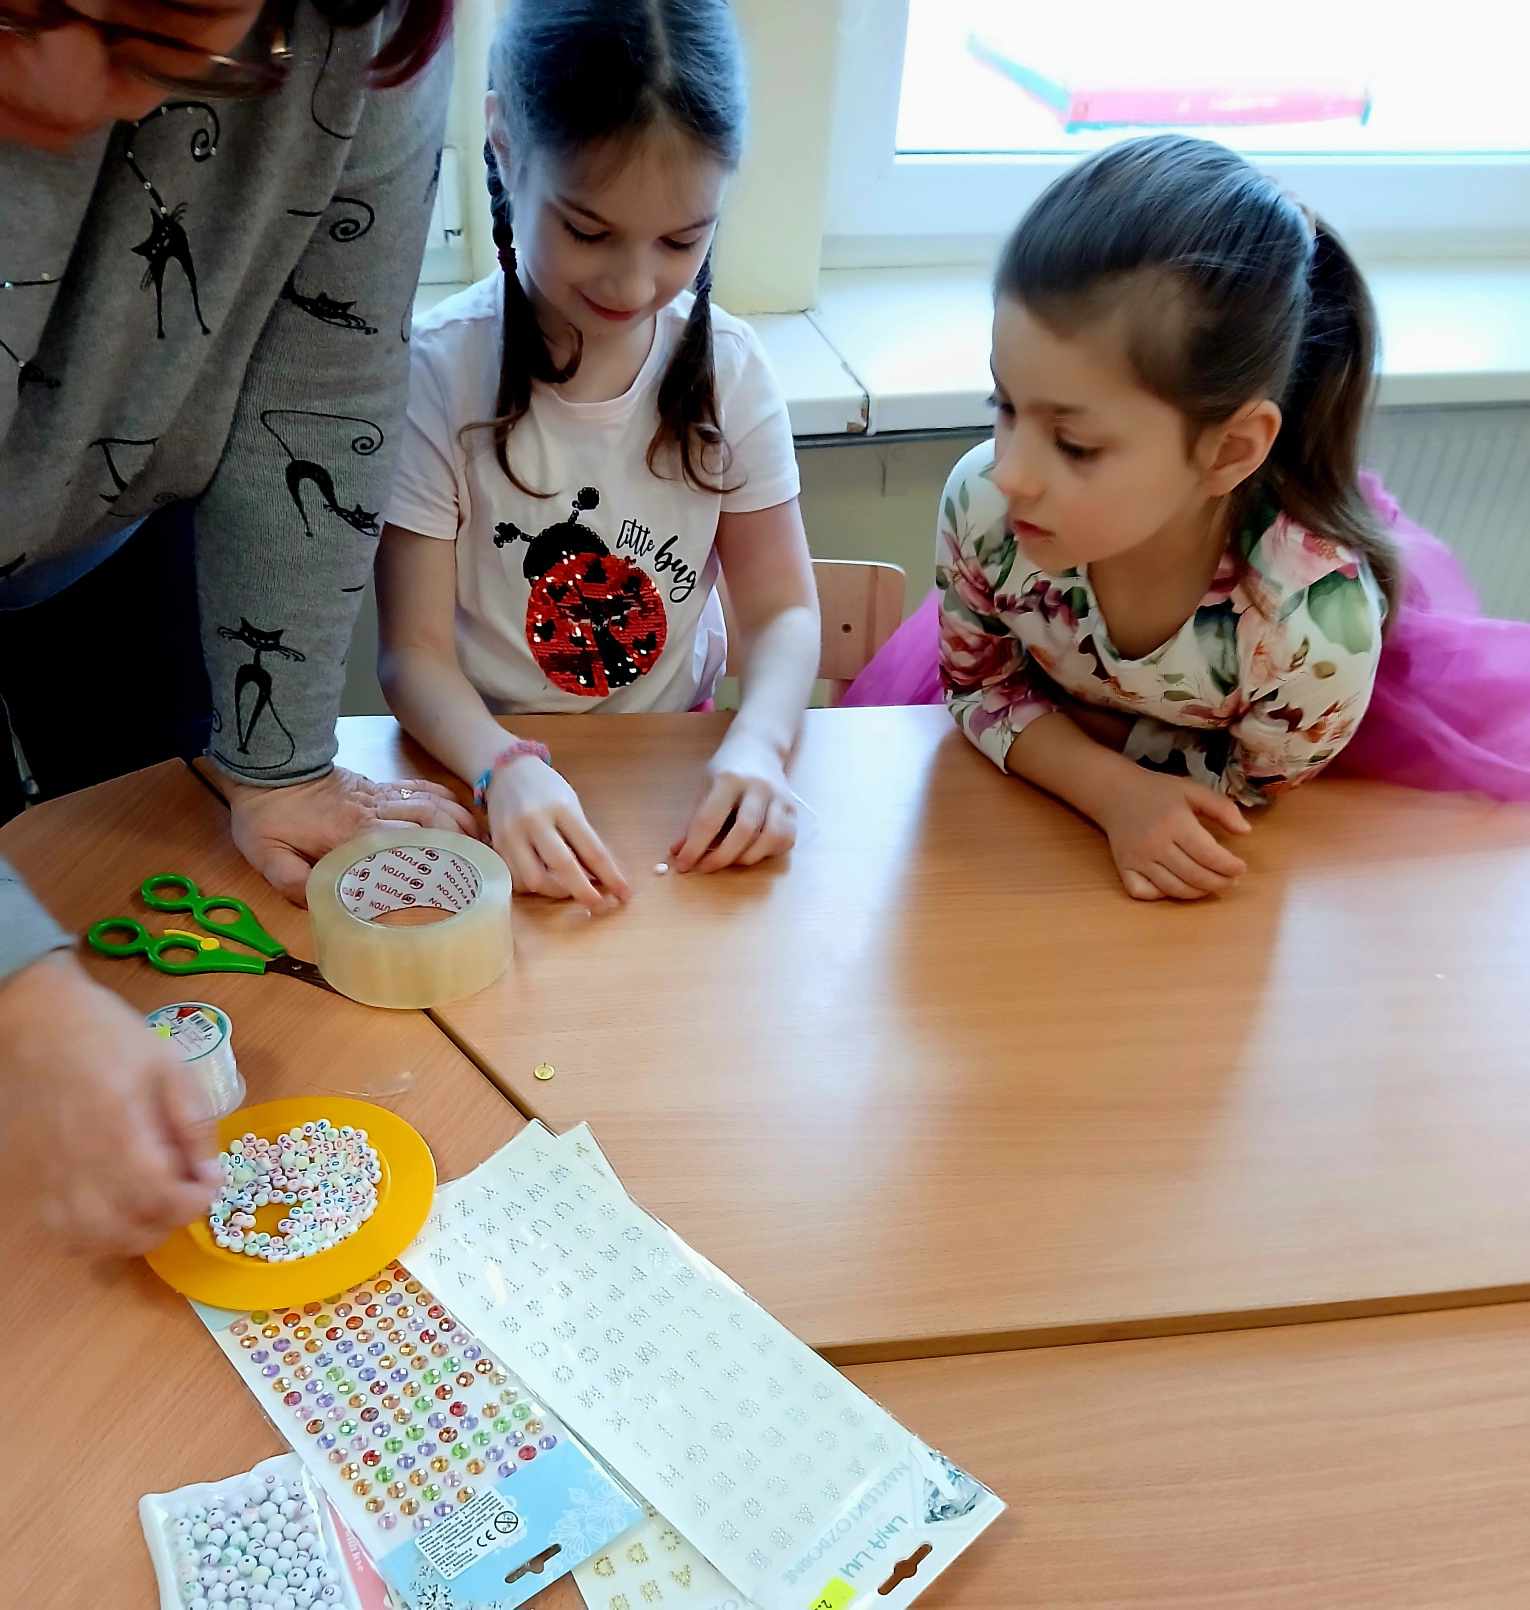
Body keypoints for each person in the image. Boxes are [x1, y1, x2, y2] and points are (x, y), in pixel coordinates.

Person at [0, 0, 475, 1254]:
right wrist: (23, 996)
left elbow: (320, 380)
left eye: (164, 43)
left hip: (107, 548)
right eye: (18, 8)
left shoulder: (360, 38)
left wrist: (283, 765)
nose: (64, 89)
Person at [846, 134, 1406, 901]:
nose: (1010, 472)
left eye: (1074, 444)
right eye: (1004, 406)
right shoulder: (984, 509)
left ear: (1229, 451)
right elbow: (977, 690)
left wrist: (1074, 737)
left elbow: (1252, 789)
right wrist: (1112, 790)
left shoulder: (1312, 628)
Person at [376, 0, 819, 914]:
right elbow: (412, 656)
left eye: (682, 241)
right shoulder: (439, 372)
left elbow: (782, 611)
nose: (633, 282)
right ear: (504, 145)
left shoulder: (729, 371)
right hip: (480, 767)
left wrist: (758, 743)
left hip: (671, 765)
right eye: (587, 231)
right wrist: (503, 768)